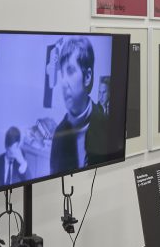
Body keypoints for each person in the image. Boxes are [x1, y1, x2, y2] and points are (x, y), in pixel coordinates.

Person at [48, 36, 113, 176]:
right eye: (62, 73)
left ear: (87, 77)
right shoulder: (59, 134)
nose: (63, 82)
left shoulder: (108, 127)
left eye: (70, 71)